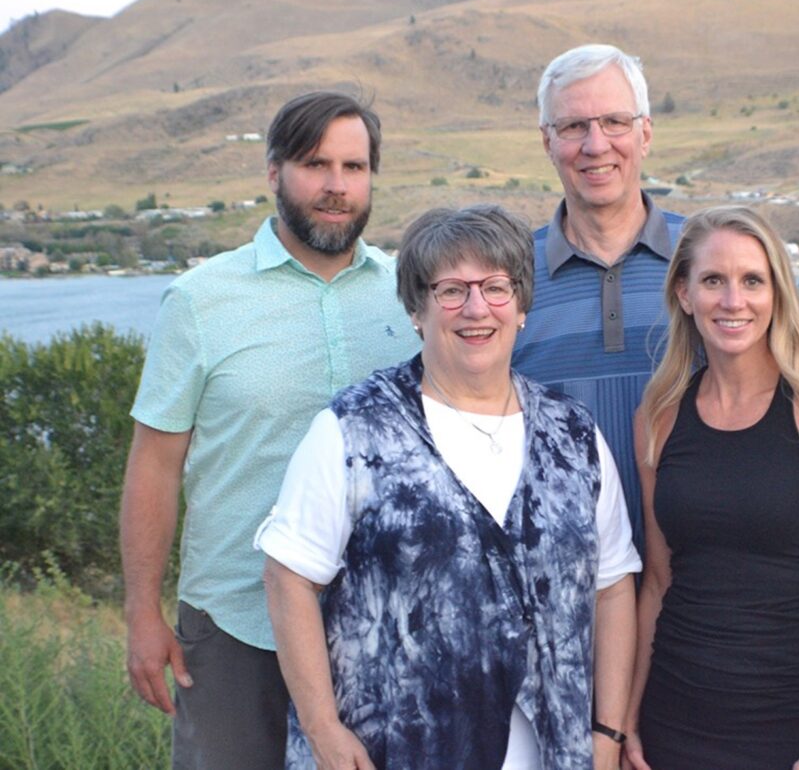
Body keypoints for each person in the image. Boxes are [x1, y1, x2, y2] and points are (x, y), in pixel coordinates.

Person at [256, 204, 641, 770]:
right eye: (452, 290)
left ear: (522, 306)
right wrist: (323, 729)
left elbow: (612, 587)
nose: (477, 308)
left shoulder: (573, 434)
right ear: (417, 309)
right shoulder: (354, 429)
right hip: (394, 752)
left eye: (496, 287)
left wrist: (606, 732)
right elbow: (288, 577)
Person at [119, 91, 417, 768]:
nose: (336, 186)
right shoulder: (199, 301)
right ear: (274, 172)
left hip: (383, 625)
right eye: (316, 165)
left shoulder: (408, 294)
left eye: (354, 167)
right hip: (237, 625)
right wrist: (141, 611)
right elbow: (154, 466)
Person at [624, 206, 799, 770]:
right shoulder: (658, 416)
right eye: (713, 281)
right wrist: (628, 720)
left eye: (752, 281)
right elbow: (659, 582)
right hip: (672, 719)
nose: (733, 301)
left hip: (793, 727)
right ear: (684, 294)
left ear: (777, 294)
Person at [511, 43, 683, 554]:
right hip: (561, 576)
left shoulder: (712, 264)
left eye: (614, 122)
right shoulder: (506, 281)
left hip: (701, 579)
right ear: (547, 141)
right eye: (573, 126)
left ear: (645, 133)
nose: (595, 144)